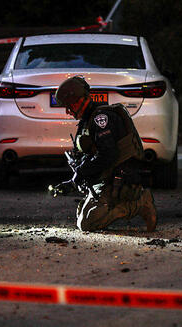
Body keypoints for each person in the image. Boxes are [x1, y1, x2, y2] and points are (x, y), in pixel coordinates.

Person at [51, 75, 157, 232]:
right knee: (83, 218)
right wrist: (75, 179)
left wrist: (80, 173)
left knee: (87, 223)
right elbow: (93, 154)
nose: (68, 111)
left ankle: (139, 203)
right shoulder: (88, 120)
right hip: (107, 179)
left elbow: (108, 156)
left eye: (69, 106)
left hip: (119, 179)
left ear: (80, 100)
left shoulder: (101, 118)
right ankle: (107, 203)